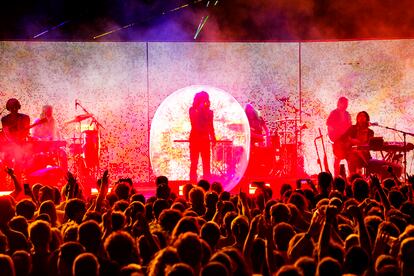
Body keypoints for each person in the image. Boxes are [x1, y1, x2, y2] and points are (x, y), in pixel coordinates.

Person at [189, 91, 216, 183]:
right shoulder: (192, 110)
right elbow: (194, 122)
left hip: (205, 139)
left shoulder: (209, 112)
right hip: (195, 139)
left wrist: (213, 138)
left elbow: (210, 126)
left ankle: (207, 184)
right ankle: (192, 183)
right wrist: (201, 109)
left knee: (206, 163)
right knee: (194, 163)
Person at [1, 98, 30, 180]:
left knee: (20, 160)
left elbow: (26, 132)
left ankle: (20, 180)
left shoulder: (25, 117)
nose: (14, 109)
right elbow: (6, 133)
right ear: (8, 108)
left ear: (18, 107)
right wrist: (13, 141)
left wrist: (20, 139)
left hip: (23, 144)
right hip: (10, 145)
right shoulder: (5, 119)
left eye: (15, 107)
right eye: (12, 107)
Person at [326, 97, 352, 176]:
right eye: (344, 103)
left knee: (349, 158)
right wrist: (335, 136)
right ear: (339, 103)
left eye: (346, 104)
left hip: (346, 139)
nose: (345, 105)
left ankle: (350, 176)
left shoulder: (347, 114)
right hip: (337, 139)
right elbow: (329, 125)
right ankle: (336, 177)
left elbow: (350, 126)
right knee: (337, 158)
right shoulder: (334, 113)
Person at [343, 111, 374, 175]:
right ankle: (353, 175)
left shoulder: (370, 132)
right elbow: (347, 138)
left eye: (363, 116)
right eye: (360, 116)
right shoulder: (352, 128)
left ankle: (361, 175)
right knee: (353, 156)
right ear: (357, 118)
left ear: (367, 119)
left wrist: (360, 143)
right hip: (352, 151)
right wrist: (353, 141)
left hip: (364, 153)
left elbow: (369, 143)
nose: (361, 117)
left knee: (359, 157)